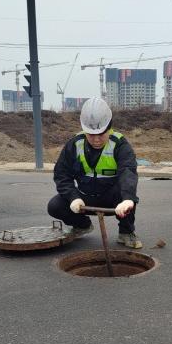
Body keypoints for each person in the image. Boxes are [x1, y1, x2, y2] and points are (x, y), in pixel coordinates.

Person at [47, 97, 142, 249]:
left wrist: (128, 199)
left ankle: (126, 232)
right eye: (91, 135)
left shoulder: (120, 145)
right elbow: (62, 174)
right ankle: (82, 225)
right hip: (84, 198)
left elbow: (128, 171)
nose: (96, 140)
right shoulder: (74, 144)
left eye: (101, 134)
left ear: (109, 127)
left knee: (128, 197)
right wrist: (73, 198)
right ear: (84, 129)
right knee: (55, 206)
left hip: (112, 199)